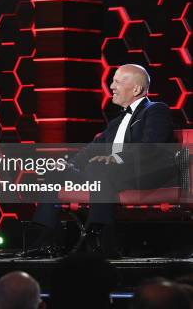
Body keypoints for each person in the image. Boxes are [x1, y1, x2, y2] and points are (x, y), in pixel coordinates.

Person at [29, 64, 176, 257]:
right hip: (105, 175)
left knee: (99, 168)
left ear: (137, 89)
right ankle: (44, 241)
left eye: (117, 81)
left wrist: (116, 158)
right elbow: (92, 149)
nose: (111, 86)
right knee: (58, 172)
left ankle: (100, 241)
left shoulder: (156, 110)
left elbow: (150, 147)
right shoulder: (116, 122)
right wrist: (70, 165)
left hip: (142, 174)